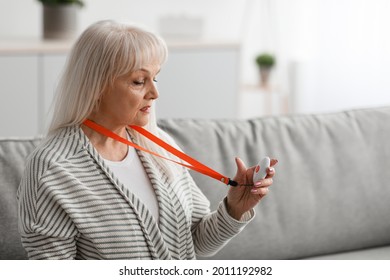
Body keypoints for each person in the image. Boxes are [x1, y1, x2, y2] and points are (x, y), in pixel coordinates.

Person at [17, 20, 277, 260]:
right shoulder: (52, 169)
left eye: (155, 77)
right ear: (95, 86)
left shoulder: (158, 144)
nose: (155, 93)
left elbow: (196, 242)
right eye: (139, 81)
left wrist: (234, 209)